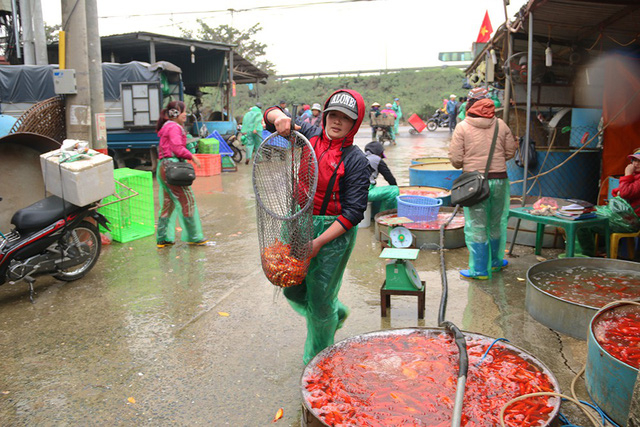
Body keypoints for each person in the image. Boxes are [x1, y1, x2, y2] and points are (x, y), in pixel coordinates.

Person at [264, 89, 370, 364]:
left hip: (332, 234)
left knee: (321, 299)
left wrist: (319, 243)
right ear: (323, 116)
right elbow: (270, 113)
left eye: (344, 118)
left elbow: (354, 212)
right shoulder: (308, 135)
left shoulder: (356, 160)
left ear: (354, 124)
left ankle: (318, 360)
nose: (336, 122)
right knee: (289, 283)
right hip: (299, 221)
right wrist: (279, 119)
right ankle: (336, 312)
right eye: (332, 115)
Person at [449, 88, 518, 279]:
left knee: (477, 226)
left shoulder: (462, 127)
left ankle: (479, 270)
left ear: (470, 106)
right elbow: (510, 153)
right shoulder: (501, 125)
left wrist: (471, 162)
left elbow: (455, 160)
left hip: (475, 185)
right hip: (500, 181)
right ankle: (495, 263)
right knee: (496, 222)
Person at [156, 100, 208, 248]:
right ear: (175, 113)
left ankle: (163, 237)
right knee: (187, 200)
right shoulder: (173, 127)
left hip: (164, 167)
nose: (186, 114)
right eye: (183, 111)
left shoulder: (167, 126)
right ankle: (194, 236)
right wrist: (192, 156)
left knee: (168, 203)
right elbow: (178, 148)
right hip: (172, 168)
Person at [364, 140, 399, 212]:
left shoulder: (360, 157)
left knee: (379, 190)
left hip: (353, 193)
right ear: (379, 153)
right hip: (364, 193)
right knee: (394, 190)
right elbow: (389, 177)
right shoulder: (376, 159)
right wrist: (395, 187)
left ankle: (373, 215)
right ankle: (386, 215)